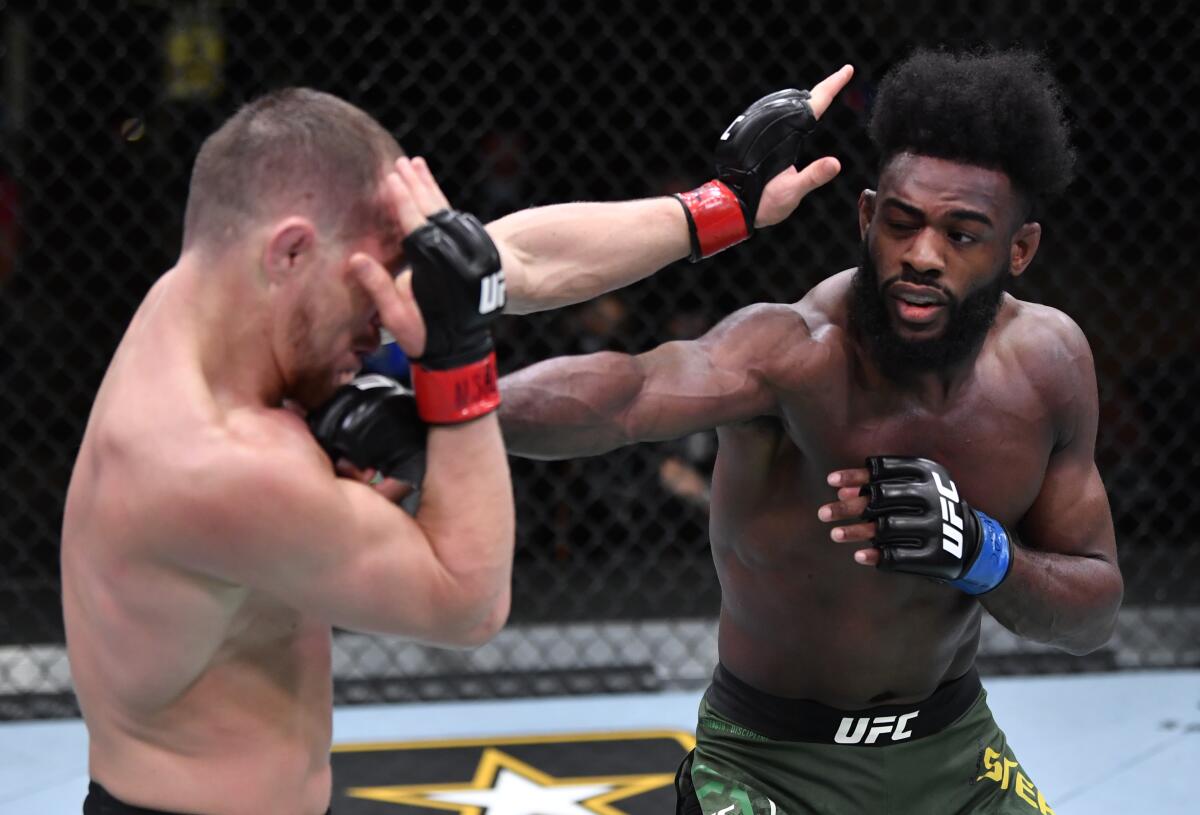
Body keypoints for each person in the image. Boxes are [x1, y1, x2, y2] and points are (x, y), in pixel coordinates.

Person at [61, 68, 852, 815]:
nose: (382, 318)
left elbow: (519, 255)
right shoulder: (212, 463)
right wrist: (457, 360)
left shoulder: (222, 291)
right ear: (292, 251)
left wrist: (720, 207)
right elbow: (466, 602)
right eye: (372, 286)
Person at [499, 48, 1123, 814]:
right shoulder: (792, 352)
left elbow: (1092, 611)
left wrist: (983, 552)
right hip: (768, 765)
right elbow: (629, 393)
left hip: (955, 752)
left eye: (962, 236)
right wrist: (452, 411)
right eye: (902, 223)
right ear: (866, 216)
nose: (921, 256)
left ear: (1018, 249)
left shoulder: (1050, 366)